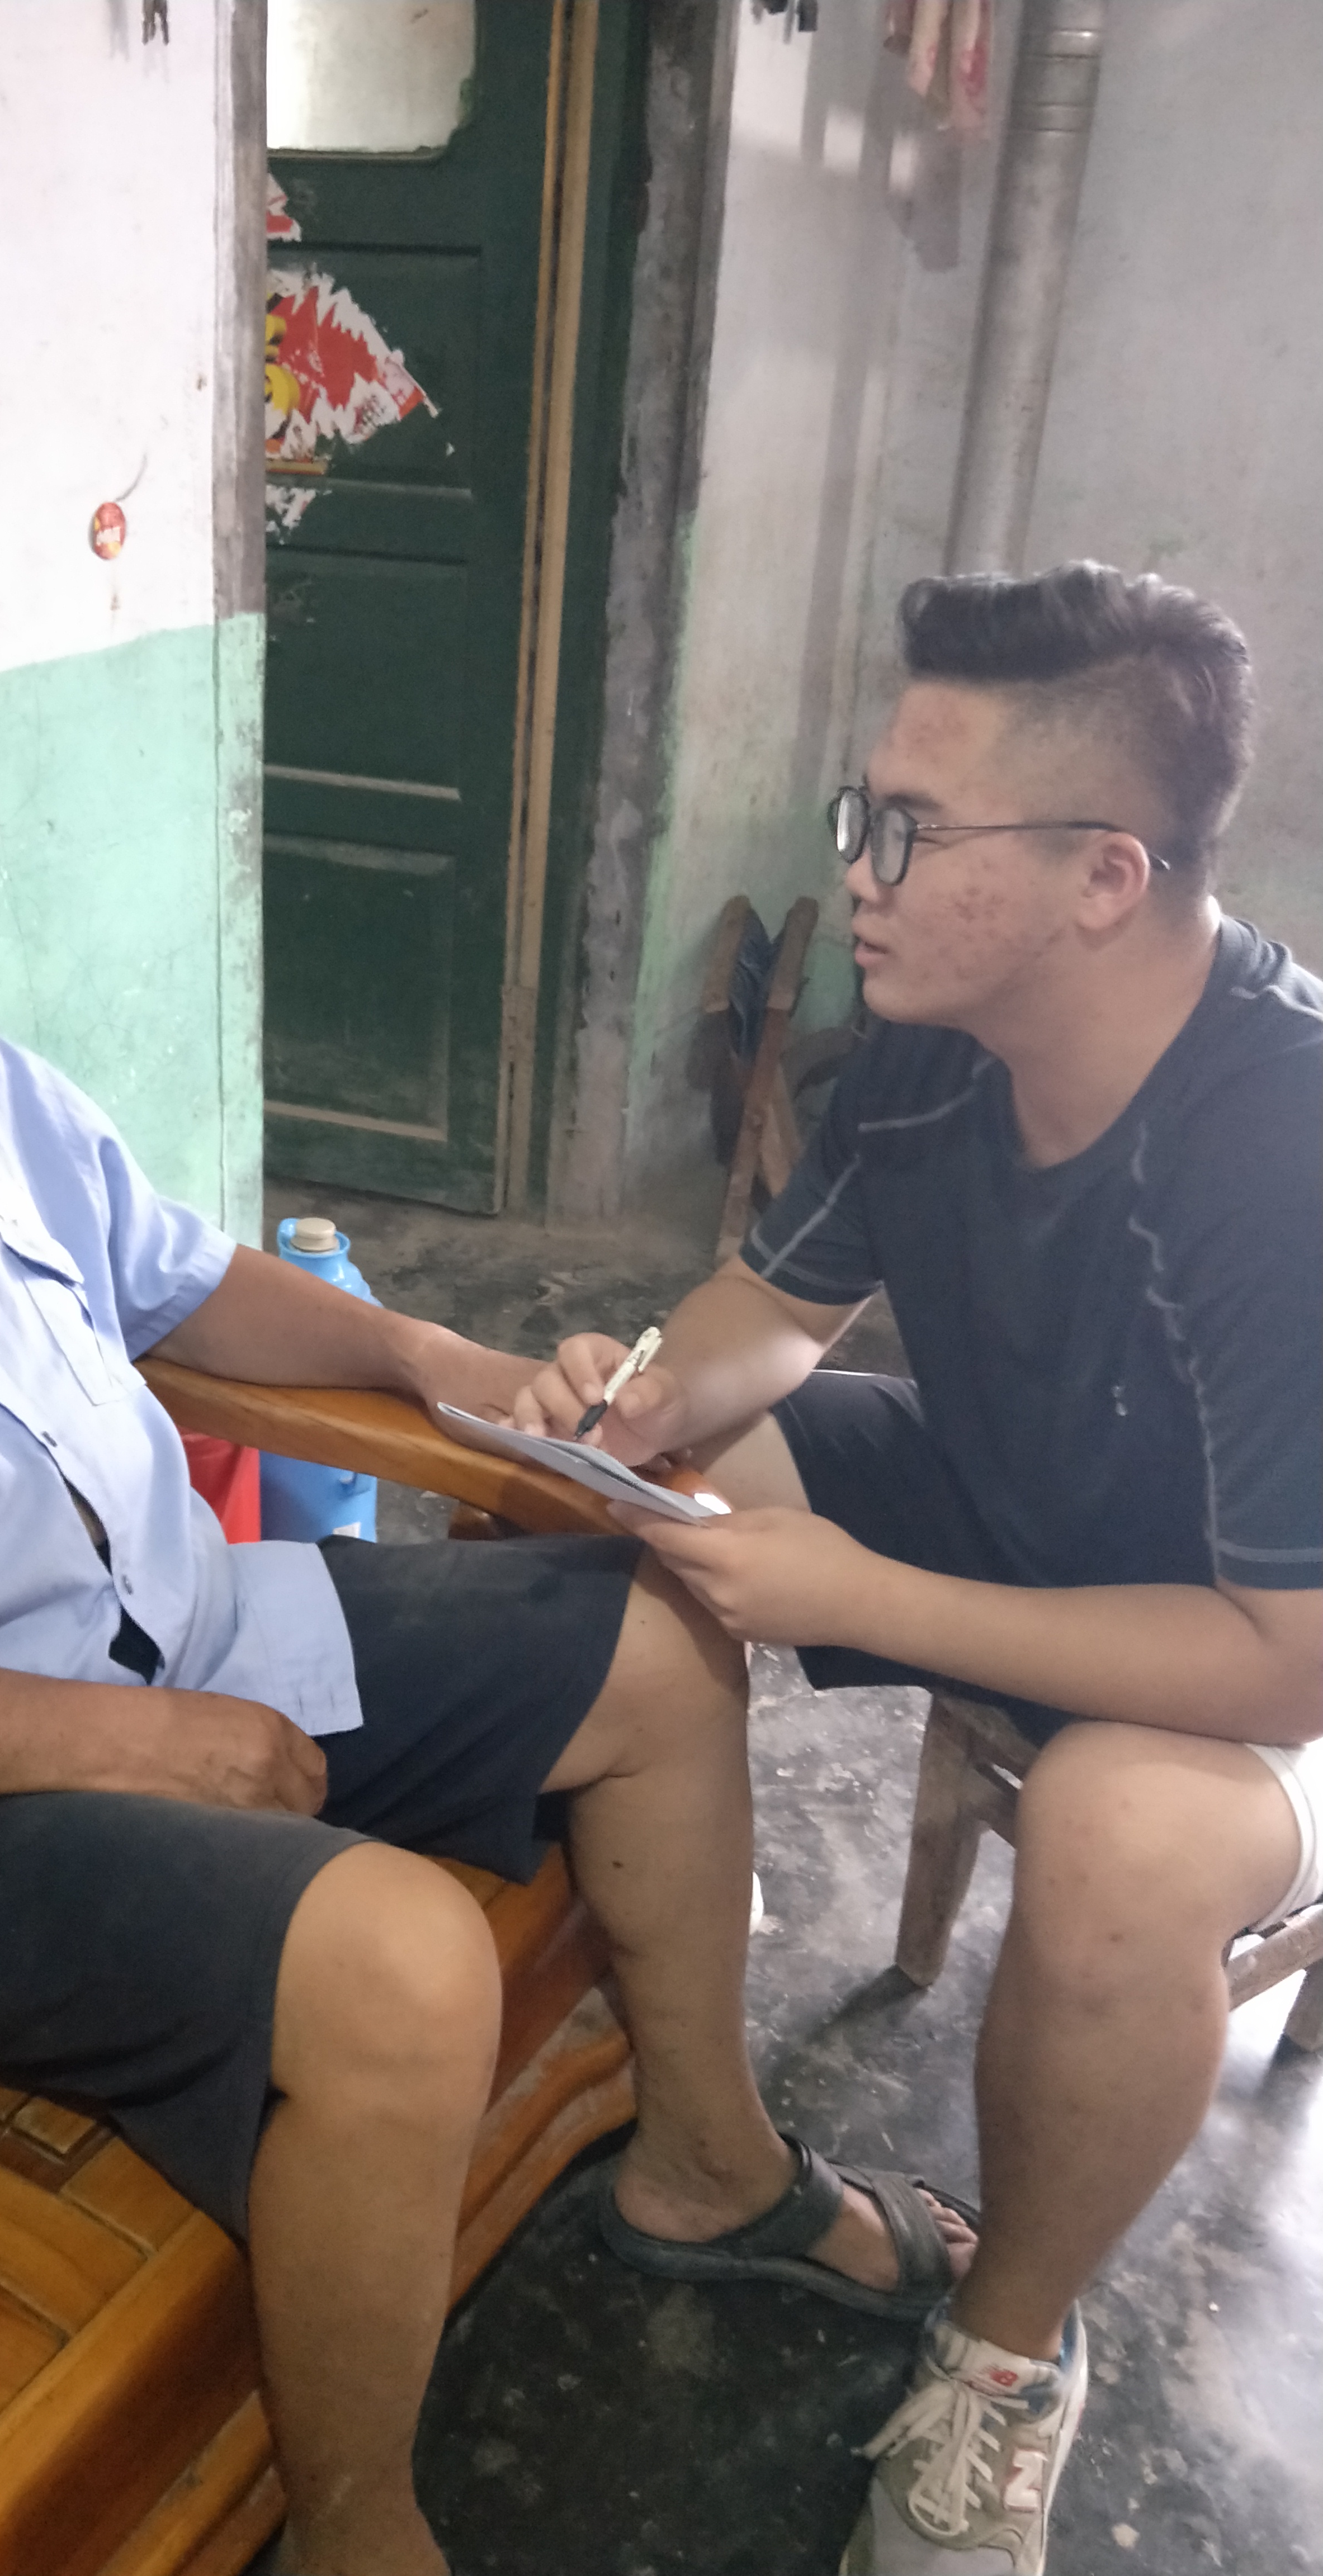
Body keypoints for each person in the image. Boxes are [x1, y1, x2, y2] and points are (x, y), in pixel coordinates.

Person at [0, 641, 977, 2576]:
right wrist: (137, 1746)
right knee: (405, 1966)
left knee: (661, 1645)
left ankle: (707, 2168)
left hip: (187, 1627)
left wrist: (438, 1360)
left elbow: (180, 1280)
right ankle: (357, 2527)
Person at [516, 562, 1322, 2574]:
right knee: (622, 1493)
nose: (855, 876)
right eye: (859, 816)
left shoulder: (1280, 1151)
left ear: (1105, 877)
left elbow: (1284, 1657)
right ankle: (700, 2137)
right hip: (1011, 1501)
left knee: (1125, 1840)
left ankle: (1004, 2357)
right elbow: (774, 1314)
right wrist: (642, 1392)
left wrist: (862, 1599)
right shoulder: (934, 1041)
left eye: (907, 831)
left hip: (1247, 1653)